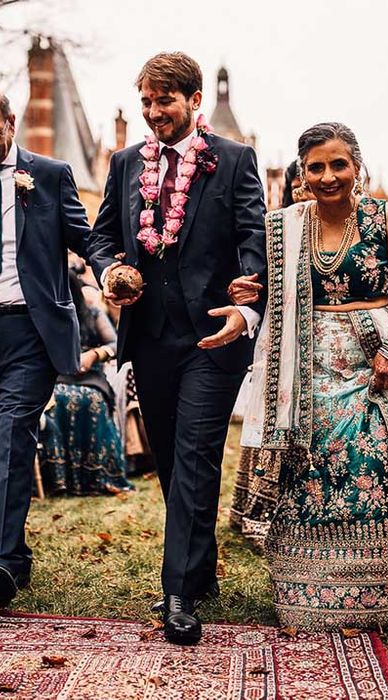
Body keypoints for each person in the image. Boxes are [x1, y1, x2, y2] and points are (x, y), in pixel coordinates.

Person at [230, 122, 388, 630]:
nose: (328, 176)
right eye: (316, 167)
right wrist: (246, 291)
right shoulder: (283, 225)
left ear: (357, 166)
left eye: (338, 165)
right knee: (310, 464)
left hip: (375, 356)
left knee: (386, 457)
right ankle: (317, 593)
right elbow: (268, 291)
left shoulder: (383, 217)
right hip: (306, 366)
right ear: (302, 174)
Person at [87, 52, 267, 646]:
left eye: (164, 100)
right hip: (151, 336)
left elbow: (252, 238)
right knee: (169, 457)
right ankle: (201, 560)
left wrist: (246, 304)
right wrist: (111, 266)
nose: (153, 112)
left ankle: (178, 593)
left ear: (193, 101)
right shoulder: (121, 164)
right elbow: (102, 235)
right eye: (146, 102)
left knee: (193, 453)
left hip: (213, 337)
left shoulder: (234, 160)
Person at [0, 94, 91, 606]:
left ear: (10, 123)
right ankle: (15, 557)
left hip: (30, 330)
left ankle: (4, 561)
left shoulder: (48, 174)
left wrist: (118, 270)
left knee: (11, 437)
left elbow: (86, 237)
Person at [37, 271, 132, 495]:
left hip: (89, 377)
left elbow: (117, 343)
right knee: (56, 400)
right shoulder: (43, 315)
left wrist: (95, 355)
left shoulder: (91, 312)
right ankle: (59, 481)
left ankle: (97, 476)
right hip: (55, 376)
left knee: (92, 400)